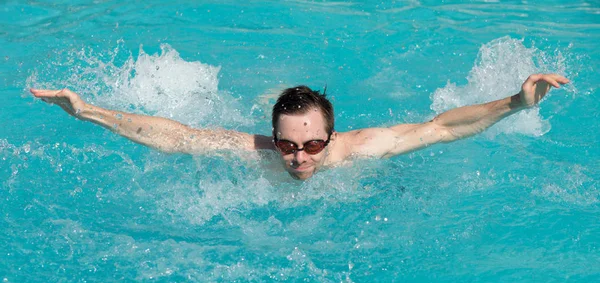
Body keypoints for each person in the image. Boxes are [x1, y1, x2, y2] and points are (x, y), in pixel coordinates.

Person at [30, 73, 569, 180]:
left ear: (330, 138)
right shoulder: (256, 151)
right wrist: (87, 111)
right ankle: (274, 89)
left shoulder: (357, 150)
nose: (298, 158)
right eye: (288, 145)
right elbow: (176, 136)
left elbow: (440, 128)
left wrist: (515, 104)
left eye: (312, 144)